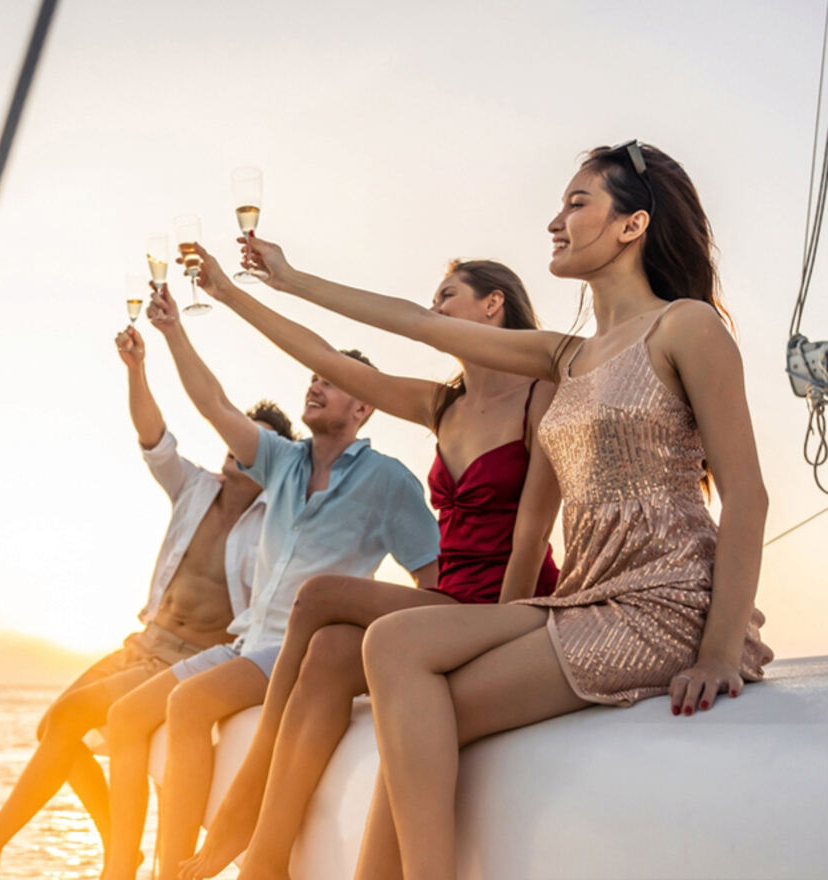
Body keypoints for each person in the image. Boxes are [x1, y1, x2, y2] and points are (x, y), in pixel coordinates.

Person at [243, 141, 772, 880]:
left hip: (665, 604)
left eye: (577, 203)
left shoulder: (686, 327)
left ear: (632, 225)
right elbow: (416, 324)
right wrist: (290, 279)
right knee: (394, 648)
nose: (555, 221)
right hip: (586, 596)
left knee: (419, 702)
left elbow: (748, 493)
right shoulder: (567, 357)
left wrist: (718, 653)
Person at [176, 253, 562, 880]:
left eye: (448, 295)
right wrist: (229, 293)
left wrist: (503, 631)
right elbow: (325, 358)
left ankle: (244, 818)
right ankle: (266, 859)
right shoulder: (443, 406)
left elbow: (532, 533)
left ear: (495, 304)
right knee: (329, 649)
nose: (435, 309)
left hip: (500, 605)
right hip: (453, 596)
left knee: (319, 597)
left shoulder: (543, 397)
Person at [0, 324, 293, 880]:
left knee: (75, 718)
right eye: (235, 439)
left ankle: (12, 848)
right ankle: (107, 834)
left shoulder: (275, 526)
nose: (239, 450)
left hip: (190, 658)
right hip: (143, 643)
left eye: (253, 444)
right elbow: (155, 438)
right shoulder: (195, 489)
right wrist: (137, 370)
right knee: (54, 726)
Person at [99, 285, 441, 880]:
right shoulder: (282, 460)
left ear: (363, 409)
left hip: (296, 651)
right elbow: (215, 404)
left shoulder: (389, 481)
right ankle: (155, 865)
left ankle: (174, 870)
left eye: (330, 381)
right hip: (243, 640)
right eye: (312, 376)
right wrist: (173, 331)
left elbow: (431, 580)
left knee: (187, 704)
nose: (314, 384)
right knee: (129, 715)